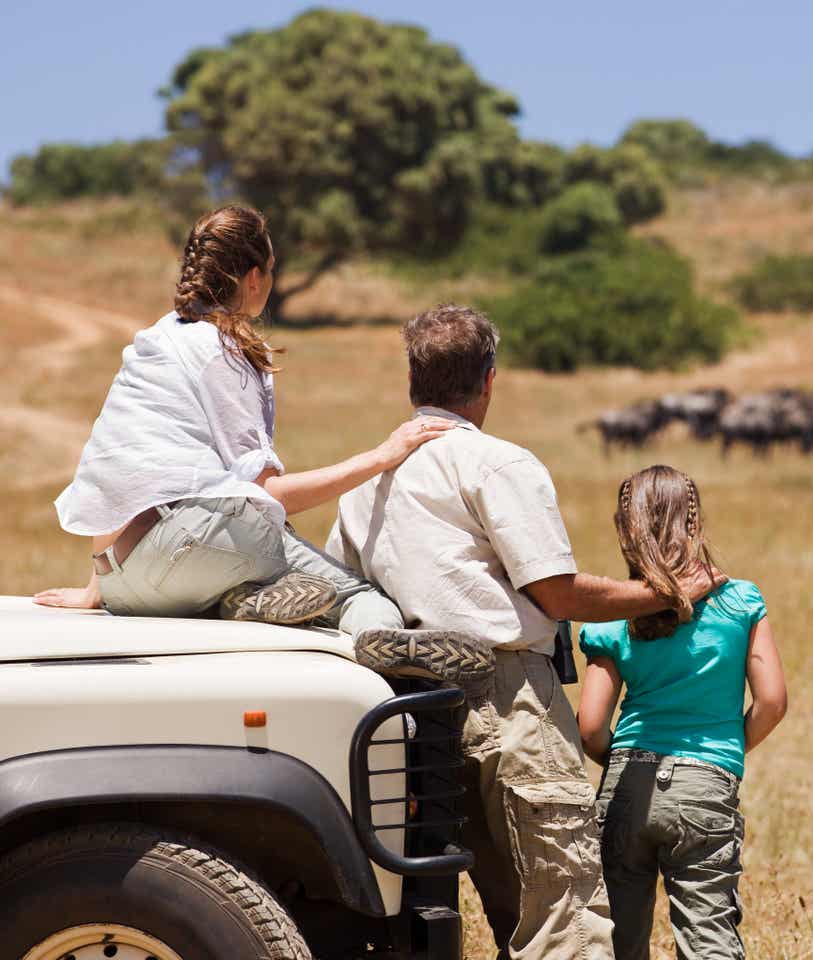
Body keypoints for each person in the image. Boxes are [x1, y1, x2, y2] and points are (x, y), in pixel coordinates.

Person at [326, 303, 720, 960]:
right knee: (559, 904)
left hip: (403, 706)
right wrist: (667, 591)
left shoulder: (365, 483)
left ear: (413, 383)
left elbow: (348, 592)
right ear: (488, 380)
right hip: (509, 699)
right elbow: (556, 593)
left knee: (459, 899)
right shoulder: (497, 463)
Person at [35, 205, 451, 630]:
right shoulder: (226, 349)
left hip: (119, 582)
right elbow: (270, 493)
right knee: (356, 595)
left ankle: (237, 600)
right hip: (186, 552)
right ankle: (387, 644)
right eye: (270, 268)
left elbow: (121, 466)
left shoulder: (157, 338)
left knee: (247, 543)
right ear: (254, 278)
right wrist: (383, 455)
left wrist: (96, 589)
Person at [576, 465, 787, 960]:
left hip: (627, 783)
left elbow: (589, 728)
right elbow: (773, 702)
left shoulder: (613, 617)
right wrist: (724, 749)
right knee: (708, 934)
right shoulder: (740, 601)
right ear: (694, 523)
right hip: (707, 784)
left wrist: (623, 756)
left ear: (626, 530)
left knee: (619, 937)